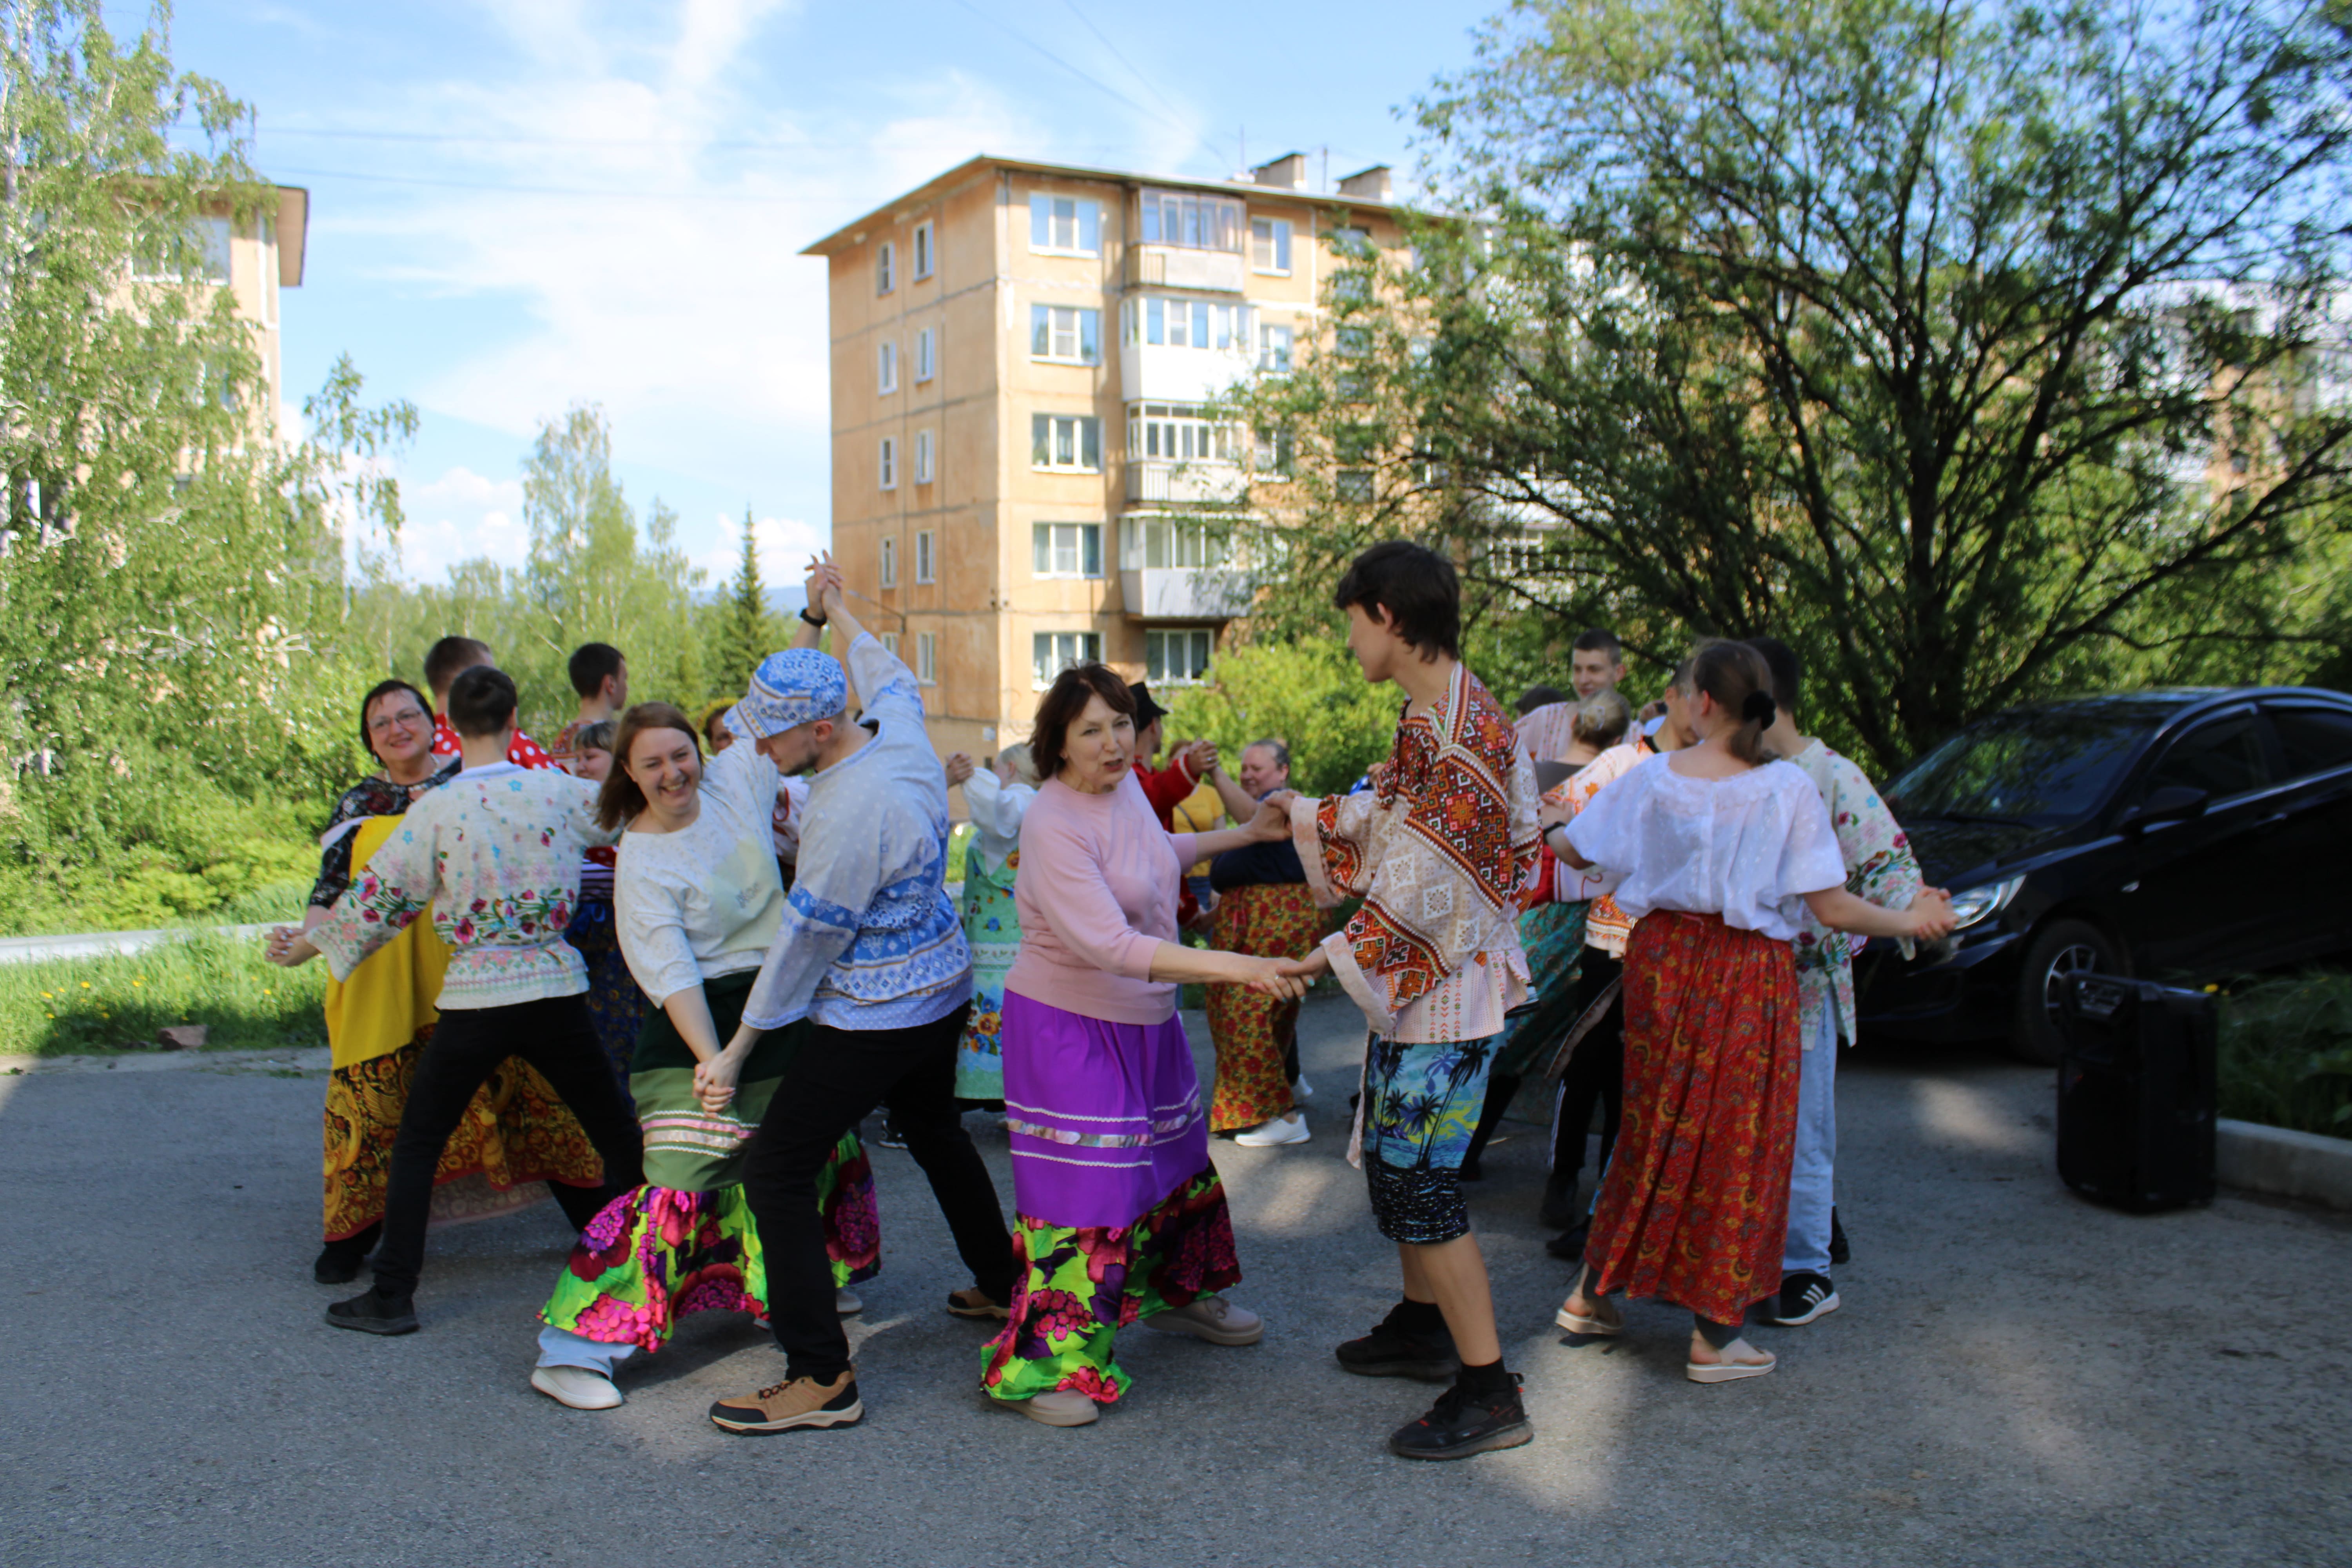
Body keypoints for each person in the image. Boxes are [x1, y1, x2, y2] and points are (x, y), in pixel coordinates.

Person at [1544, 640, 1953, 1382]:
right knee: (1738, 1141)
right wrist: (1911, 922)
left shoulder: (1653, 778)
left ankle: (1591, 1295)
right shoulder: (1786, 790)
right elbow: (1830, 905)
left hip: (1664, 963)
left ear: (1702, 701)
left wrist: (1539, 829)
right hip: (1744, 972)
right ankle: (1714, 1335)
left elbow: (1574, 849)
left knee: (1651, 1126)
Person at [697, 558, 1016, 1436]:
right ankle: (1001, 1280)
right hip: (943, 982)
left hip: (878, 1010)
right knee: (937, 1129)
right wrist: (831, 605)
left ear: (821, 726)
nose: (761, 748)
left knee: (776, 1166)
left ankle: (820, 1374)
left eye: (772, 735)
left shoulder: (842, 815)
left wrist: (733, 1052)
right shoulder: (900, 726)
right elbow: (886, 662)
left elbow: (804, 949)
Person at [270, 665, 647, 1335]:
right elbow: (633, 822)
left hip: (475, 997)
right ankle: (659, 1263)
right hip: (556, 987)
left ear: (448, 725)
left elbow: (377, 902)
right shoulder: (558, 792)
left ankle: (393, 1296)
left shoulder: (436, 811)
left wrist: (306, 946)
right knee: (617, 1132)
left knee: (418, 1142)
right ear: (513, 718)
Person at [529, 697, 882, 1410]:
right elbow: (671, 971)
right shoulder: (643, 857)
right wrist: (716, 1059)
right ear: (628, 774)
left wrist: (815, 613)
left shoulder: (732, 780)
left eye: (680, 754)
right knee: (682, 1182)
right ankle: (575, 1351)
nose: (672, 773)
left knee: (797, 1155)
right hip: (703, 1025)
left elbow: (774, 701)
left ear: (701, 753)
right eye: (652, 763)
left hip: (782, 1005)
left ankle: (792, 1286)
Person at [976, 665, 1301, 1427]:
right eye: (1091, 729)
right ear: (1056, 745)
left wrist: (1246, 833)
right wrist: (1239, 966)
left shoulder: (1124, 792)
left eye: (1122, 722)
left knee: (1174, 1161)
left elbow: (1159, 855)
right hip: (1069, 1025)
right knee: (1087, 1187)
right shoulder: (1051, 822)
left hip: (1147, 1019)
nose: (1115, 742)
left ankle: (1178, 1297)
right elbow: (1111, 944)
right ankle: (1045, 1364)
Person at [1276, 541, 1542, 1462]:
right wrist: (1307, 813)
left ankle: (1488, 1386)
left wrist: (1324, 957)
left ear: (1386, 615)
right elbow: (1394, 819)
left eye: (1352, 620)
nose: (1349, 639)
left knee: (1420, 1178)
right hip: (1437, 980)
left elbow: (1431, 879)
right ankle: (1423, 1323)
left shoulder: (1458, 726)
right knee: (1398, 1163)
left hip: (1449, 986)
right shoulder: (1439, 712)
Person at [1744, 636, 1923, 1327]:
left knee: (1804, 1131)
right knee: (1746, 1129)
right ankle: (1747, 1252)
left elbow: (1892, 870)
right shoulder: (1734, 774)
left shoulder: (1832, 775)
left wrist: (1878, 926)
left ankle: (1807, 1268)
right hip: (1735, 990)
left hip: (1805, 993)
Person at [1535, 670, 1690, 1248]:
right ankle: (1563, 1177)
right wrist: (1588, 857)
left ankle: (1611, 1198)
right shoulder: (1625, 762)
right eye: (1694, 694)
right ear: (1673, 697)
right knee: (1587, 1065)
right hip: (1611, 941)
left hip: (1674, 952)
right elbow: (1555, 809)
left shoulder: (1710, 774)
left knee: (1639, 1080)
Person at [1462, 689, 1632, 1183]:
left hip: (1528, 917)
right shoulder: (1621, 779)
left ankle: (1460, 1150)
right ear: (1620, 739)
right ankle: (1559, 1174)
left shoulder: (1537, 774)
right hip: (1583, 925)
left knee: (1503, 1033)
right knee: (1539, 1042)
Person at [1200, 738, 1327, 1147]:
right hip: (1253, 919)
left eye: (1258, 768)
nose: (1249, 774)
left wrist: (1215, 772)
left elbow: (1252, 817)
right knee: (1263, 1011)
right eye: (1244, 769)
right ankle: (1276, 1092)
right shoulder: (1264, 813)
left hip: (1274, 919)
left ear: (1283, 771)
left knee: (1248, 1010)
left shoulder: (1281, 804)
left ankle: (1277, 1115)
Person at [944, 743, 1040, 1105]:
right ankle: (1018, 1099)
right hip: (1009, 941)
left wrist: (971, 778)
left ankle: (996, 1095)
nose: (995, 776)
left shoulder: (1021, 801)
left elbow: (994, 811)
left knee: (994, 1016)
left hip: (997, 946)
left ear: (1012, 768)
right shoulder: (1032, 805)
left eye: (996, 768)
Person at [560, 716, 644, 1096]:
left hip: (626, 936)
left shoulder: (639, 813)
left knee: (626, 1031)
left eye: (589, 756)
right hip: (587, 940)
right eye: (577, 757)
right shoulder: (572, 812)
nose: (580, 766)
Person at [423, 636, 554, 769]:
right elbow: (558, 781)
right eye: (490, 676)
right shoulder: (501, 735)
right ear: (472, 679)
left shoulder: (420, 745)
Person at [548, 643, 628, 775]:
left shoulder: (563, 739)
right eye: (625, 678)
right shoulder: (616, 738)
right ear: (611, 684)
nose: (627, 687)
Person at [1569, 630, 1627, 699]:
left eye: (1595, 670)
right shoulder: (1556, 708)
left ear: (1618, 673)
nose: (1583, 681)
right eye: (1577, 669)